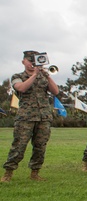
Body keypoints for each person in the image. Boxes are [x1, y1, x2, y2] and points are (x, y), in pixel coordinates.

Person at [3, 50, 60, 182]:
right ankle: (8, 173)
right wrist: (34, 75)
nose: (32, 64)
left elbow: (55, 91)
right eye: (30, 61)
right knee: (19, 145)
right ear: (23, 61)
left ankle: (35, 173)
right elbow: (21, 88)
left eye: (34, 62)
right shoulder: (17, 76)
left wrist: (47, 76)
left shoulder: (43, 77)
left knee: (40, 146)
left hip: (43, 117)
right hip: (26, 118)